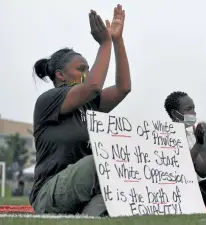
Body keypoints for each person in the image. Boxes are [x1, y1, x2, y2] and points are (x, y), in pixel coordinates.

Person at [29, 5, 131, 216]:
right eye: (81, 70)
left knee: (117, 194)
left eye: (88, 69)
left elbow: (123, 88)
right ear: (61, 75)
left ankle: (88, 218)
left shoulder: (90, 104)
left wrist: (117, 40)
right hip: (49, 193)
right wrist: (104, 44)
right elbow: (93, 86)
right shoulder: (48, 100)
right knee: (102, 162)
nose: (87, 74)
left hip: (84, 190)